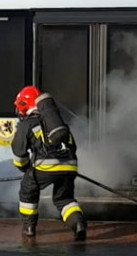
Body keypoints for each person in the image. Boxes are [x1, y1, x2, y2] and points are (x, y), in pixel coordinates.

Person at [11, 85, 87, 241]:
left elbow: (19, 153)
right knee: (64, 199)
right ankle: (78, 224)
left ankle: (29, 228)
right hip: (70, 165)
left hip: (46, 166)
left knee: (28, 188)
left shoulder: (27, 124)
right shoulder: (58, 124)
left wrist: (26, 168)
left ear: (24, 106)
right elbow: (73, 146)